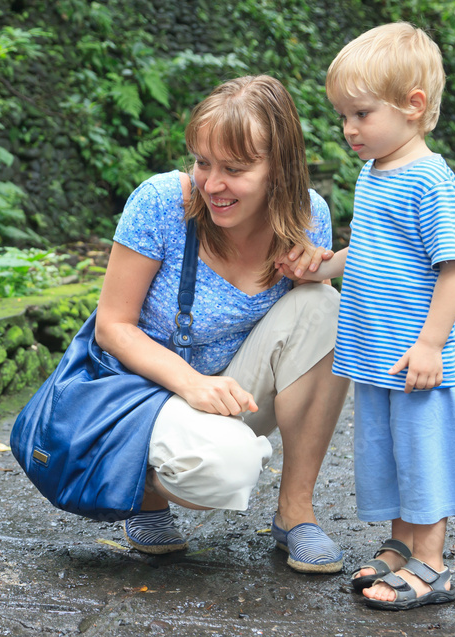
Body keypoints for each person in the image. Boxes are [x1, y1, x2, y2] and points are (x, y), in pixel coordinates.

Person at [94, 75, 350, 573]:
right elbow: (112, 327)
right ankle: (144, 489)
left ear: (280, 169)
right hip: (146, 399)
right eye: (203, 162)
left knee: (325, 305)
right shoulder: (163, 202)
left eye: (235, 168)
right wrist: (193, 385)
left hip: (234, 399)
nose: (212, 184)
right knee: (227, 471)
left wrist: (315, 269)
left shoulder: (306, 213)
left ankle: (295, 512)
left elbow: (309, 340)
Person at [278, 23, 455, 608]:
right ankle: (399, 544)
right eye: (343, 115)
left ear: (413, 107)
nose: (348, 129)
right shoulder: (374, 174)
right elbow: (368, 252)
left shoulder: (430, 181)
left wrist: (430, 345)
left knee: (423, 456)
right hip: (372, 355)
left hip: (416, 356)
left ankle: (433, 563)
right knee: (386, 455)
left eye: (361, 114)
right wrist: (319, 268)